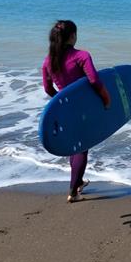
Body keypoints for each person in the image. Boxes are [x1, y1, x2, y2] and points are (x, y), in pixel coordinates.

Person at [41, 20, 111, 203]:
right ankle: (73, 192)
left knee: (75, 145)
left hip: (66, 109)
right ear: (72, 36)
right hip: (83, 107)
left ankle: (78, 182)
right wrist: (106, 98)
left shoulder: (48, 61)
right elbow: (94, 81)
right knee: (82, 148)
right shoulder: (82, 55)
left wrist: (60, 101)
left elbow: (48, 89)